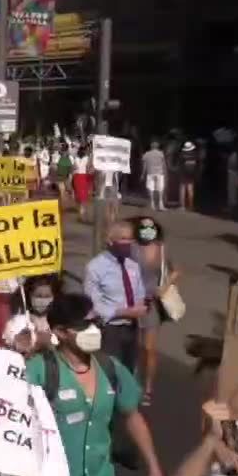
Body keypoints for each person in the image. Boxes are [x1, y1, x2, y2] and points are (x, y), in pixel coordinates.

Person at [26, 293, 165, 476]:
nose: (94, 330)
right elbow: (22, 432)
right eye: (84, 324)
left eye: (95, 322)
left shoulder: (111, 368)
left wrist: (154, 471)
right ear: (61, 332)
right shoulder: (40, 371)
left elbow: (133, 416)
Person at [84, 220, 147, 371]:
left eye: (130, 239)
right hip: (110, 330)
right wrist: (122, 312)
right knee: (111, 370)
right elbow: (93, 303)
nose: (128, 243)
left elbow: (140, 293)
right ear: (110, 241)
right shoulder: (95, 267)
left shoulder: (133, 266)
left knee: (130, 370)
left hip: (132, 328)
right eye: (123, 238)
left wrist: (140, 307)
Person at [132, 215, 179, 405]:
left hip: (152, 305)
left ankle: (148, 387)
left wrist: (164, 287)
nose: (147, 232)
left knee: (149, 349)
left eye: (150, 228)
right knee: (134, 347)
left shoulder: (161, 249)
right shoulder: (132, 248)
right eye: (143, 228)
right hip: (133, 303)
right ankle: (132, 384)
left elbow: (175, 271)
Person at [142, 141, 168, 212]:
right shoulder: (161, 154)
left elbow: (144, 166)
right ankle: (160, 204)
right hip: (159, 173)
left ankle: (152, 204)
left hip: (150, 173)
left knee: (151, 188)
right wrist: (165, 173)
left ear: (151, 146)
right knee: (160, 189)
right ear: (157, 146)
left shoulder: (146, 154)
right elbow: (164, 164)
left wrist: (142, 174)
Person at [72, 145, 93, 221]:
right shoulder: (87, 158)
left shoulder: (76, 159)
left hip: (77, 177)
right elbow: (89, 169)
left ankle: (81, 212)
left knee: (80, 196)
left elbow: (73, 168)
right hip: (84, 177)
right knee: (83, 196)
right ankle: (82, 212)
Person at [179, 140, 201, 212]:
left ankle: (182, 206)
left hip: (183, 174)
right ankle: (191, 206)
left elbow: (180, 165)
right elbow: (198, 165)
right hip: (191, 174)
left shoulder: (182, 155)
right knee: (190, 190)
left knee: (183, 190)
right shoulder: (195, 155)